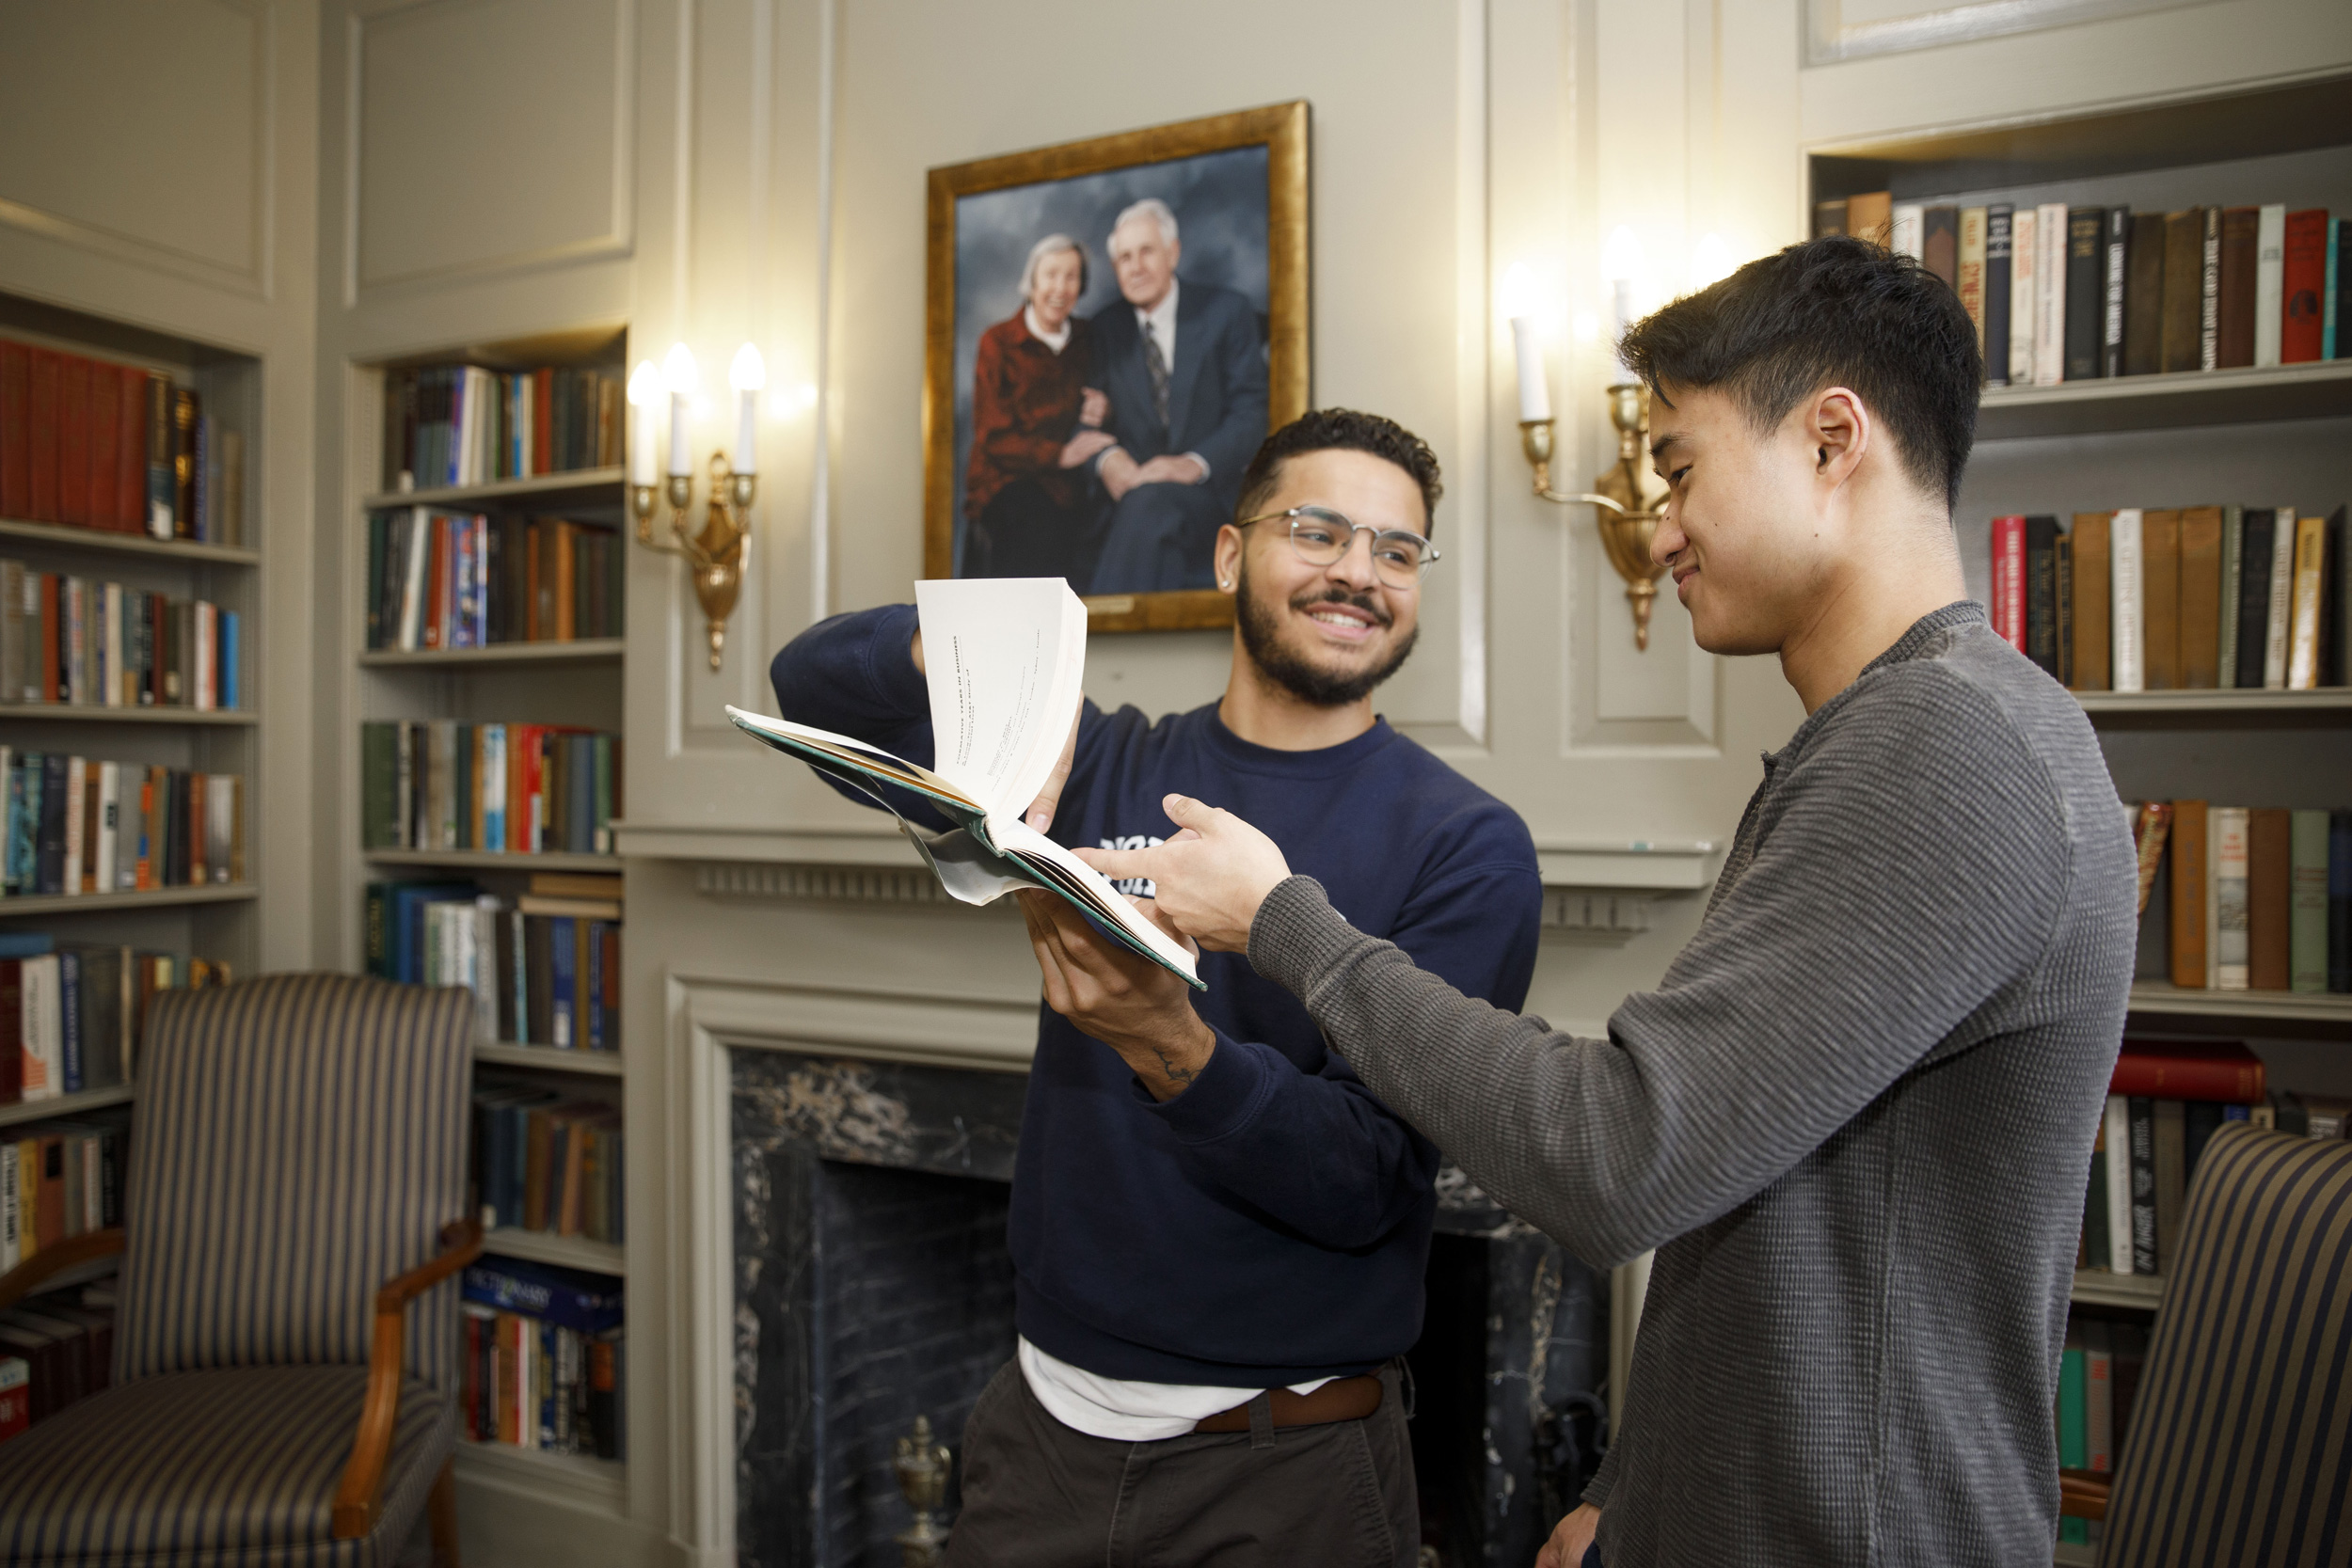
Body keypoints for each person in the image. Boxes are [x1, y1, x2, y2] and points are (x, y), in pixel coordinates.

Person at [1078, 238, 2139, 1568]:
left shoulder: (1944, 747)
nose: (1658, 524)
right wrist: (1638, 1489)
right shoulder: (1882, 738)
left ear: (1831, 440)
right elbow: (1749, 1189)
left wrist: (1285, 918)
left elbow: (1623, 1150)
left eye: (1682, 466)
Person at [768, 409, 1541, 1568]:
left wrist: (1171, 1045)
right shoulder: (1101, 760)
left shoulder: (1469, 847)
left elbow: (1369, 1179)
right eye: (1318, 530)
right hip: (1039, 1445)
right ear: (1230, 554)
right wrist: (996, 673)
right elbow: (811, 683)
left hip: (1290, 1473)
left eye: (1396, 549)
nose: (1357, 573)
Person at [1081, 197, 1269, 595]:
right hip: (1129, 503)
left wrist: (1191, 464)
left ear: (1173, 252)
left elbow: (1253, 411)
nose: (1136, 267)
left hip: (1209, 496)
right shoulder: (1103, 331)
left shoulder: (1226, 312)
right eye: (1124, 258)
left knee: (1150, 506)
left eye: (1146, 251)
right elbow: (1082, 419)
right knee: (1147, 513)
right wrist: (1106, 460)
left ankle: (1098, 645)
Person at [961, 233, 1117, 580]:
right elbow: (993, 437)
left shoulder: (1088, 339)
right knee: (1037, 528)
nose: (1060, 288)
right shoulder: (998, 342)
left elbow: (1108, 396)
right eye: (1051, 275)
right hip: (1008, 484)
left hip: (1070, 488)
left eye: (1071, 276)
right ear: (1031, 283)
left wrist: (1105, 410)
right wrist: (1061, 455)